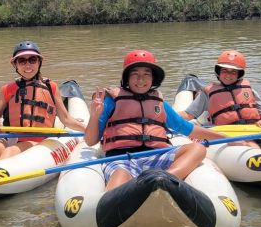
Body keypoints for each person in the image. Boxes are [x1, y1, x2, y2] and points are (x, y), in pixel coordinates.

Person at [85, 50, 225, 191]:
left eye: (146, 75)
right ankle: (129, 194)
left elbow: (187, 128)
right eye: (135, 74)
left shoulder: (159, 103)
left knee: (198, 148)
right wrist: (94, 116)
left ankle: (165, 179)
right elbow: (90, 141)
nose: (141, 80)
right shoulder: (111, 101)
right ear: (127, 77)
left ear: (153, 79)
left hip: (157, 156)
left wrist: (226, 138)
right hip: (122, 159)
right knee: (120, 175)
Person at [0, 40, 86, 162]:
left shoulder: (51, 87)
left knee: (10, 151)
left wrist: (88, 130)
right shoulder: (7, 89)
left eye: (32, 60)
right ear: (15, 64)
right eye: (22, 60)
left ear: (39, 62)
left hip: (37, 140)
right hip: (10, 136)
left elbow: (66, 119)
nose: (27, 65)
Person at [178, 50, 261, 149]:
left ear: (239, 74)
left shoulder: (249, 90)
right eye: (225, 71)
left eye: (233, 72)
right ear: (218, 72)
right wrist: (166, 117)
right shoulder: (208, 93)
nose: (228, 75)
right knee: (249, 143)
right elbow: (188, 114)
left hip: (254, 128)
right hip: (229, 132)